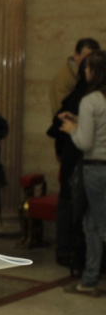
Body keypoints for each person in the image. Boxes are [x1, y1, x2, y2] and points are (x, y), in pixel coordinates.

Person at [60, 50, 106, 296]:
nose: (84, 72)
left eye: (87, 68)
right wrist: (79, 121)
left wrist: (71, 130)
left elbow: (86, 142)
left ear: (94, 72)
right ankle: (89, 278)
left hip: (96, 168)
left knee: (101, 224)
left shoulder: (91, 100)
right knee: (91, 224)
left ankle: (90, 279)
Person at [50, 38, 100, 117]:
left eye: (94, 59)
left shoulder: (93, 77)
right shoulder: (63, 79)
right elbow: (61, 112)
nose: (90, 62)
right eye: (87, 57)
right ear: (76, 55)